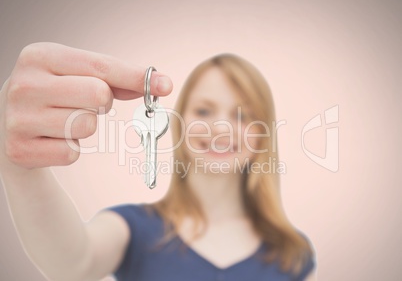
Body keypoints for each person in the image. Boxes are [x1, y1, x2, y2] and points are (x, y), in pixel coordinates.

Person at [0, 42, 316, 280]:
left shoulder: (294, 252)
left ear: (263, 134)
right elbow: (71, 263)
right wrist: (20, 167)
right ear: (178, 123)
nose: (220, 127)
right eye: (204, 111)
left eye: (242, 115)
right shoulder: (133, 228)